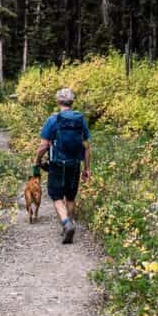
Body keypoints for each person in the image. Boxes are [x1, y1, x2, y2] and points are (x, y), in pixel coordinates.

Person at [35, 87, 91, 244]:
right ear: (72, 102)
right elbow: (86, 146)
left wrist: (37, 161)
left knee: (57, 196)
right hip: (74, 164)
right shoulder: (80, 119)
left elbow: (43, 146)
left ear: (58, 101)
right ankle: (70, 224)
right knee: (71, 196)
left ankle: (66, 224)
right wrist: (87, 168)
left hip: (57, 164)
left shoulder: (53, 120)